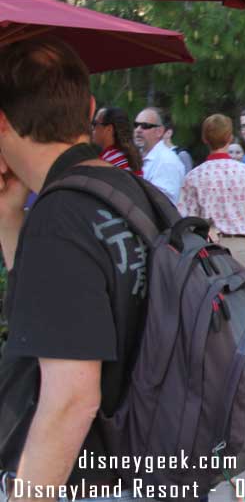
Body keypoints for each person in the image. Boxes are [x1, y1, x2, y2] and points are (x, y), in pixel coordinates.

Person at [0, 37, 157, 501]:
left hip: (92, 477)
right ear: (89, 107)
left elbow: (71, 399)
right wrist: (9, 219)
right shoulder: (125, 191)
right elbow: (56, 315)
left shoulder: (61, 218)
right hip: (153, 457)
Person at [176, 114, 245, 272]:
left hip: (207, 250)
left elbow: (187, 221)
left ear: (205, 139)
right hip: (241, 248)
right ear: (230, 137)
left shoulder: (194, 176)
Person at [134, 106, 185, 202]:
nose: (138, 129)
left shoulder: (167, 162)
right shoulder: (135, 157)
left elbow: (163, 204)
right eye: (136, 125)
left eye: (145, 126)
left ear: (160, 131)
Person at [91, 106, 141, 174]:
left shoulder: (107, 164)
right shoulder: (131, 158)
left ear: (109, 129)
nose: (92, 128)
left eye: (95, 124)